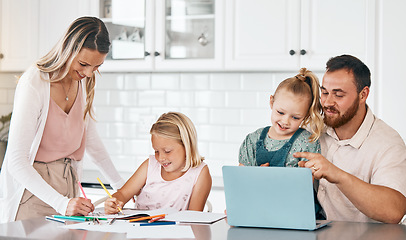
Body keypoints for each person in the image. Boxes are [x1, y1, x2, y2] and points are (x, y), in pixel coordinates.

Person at [0, 16, 125, 223]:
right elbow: (16, 161)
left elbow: (91, 142)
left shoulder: (83, 82)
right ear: (68, 48)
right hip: (32, 193)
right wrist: (61, 203)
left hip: (68, 190)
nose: (88, 73)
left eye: (96, 67)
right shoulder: (35, 81)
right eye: (83, 64)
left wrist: (121, 186)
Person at [294, 54, 406, 223]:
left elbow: (394, 211)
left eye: (338, 95)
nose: (327, 102)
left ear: (363, 95)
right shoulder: (310, 129)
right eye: (324, 92)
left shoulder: (388, 144)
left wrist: (336, 174)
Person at [104, 112, 212, 214]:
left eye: (167, 151)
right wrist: (115, 202)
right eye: (156, 151)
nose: (160, 158)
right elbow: (123, 193)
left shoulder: (199, 173)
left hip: (176, 233)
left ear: (187, 145)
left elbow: (193, 219)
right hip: (140, 231)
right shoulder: (150, 165)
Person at [239, 68, 324, 168]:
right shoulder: (252, 140)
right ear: (272, 102)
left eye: (295, 118)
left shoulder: (307, 143)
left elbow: (309, 182)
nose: (285, 121)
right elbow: (242, 180)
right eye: (280, 112)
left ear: (306, 116)